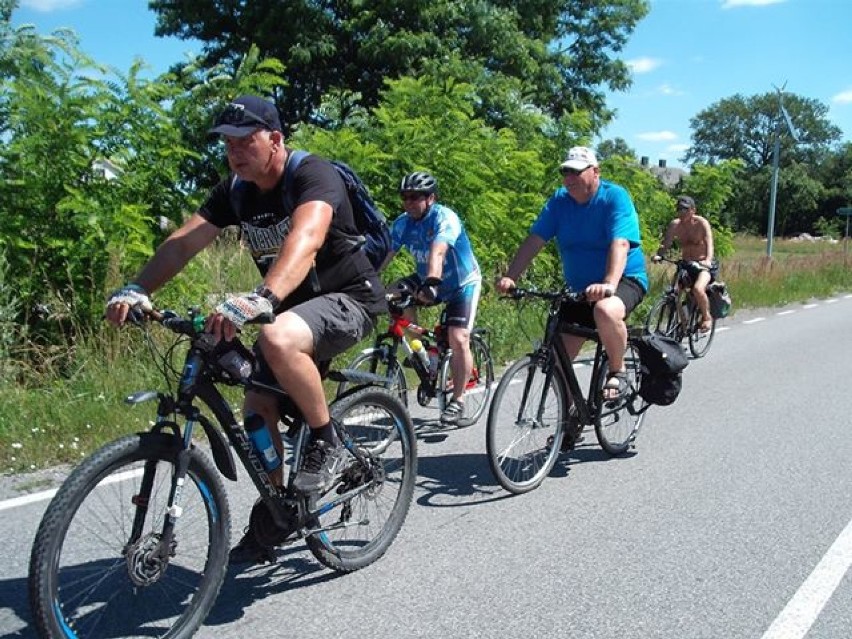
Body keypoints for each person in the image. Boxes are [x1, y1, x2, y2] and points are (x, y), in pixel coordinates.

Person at [105, 95, 386, 563]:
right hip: (288, 310)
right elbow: (183, 243)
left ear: (275, 139)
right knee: (256, 405)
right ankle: (281, 510)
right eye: (227, 143)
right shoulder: (234, 190)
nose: (234, 151)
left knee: (274, 337)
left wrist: (262, 298)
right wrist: (136, 287)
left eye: (244, 140)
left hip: (347, 299)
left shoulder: (313, 174)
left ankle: (326, 438)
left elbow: (307, 237)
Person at [496, 146, 648, 407]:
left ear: (595, 172)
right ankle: (571, 418)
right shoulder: (559, 201)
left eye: (576, 172)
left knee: (605, 310)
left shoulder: (615, 198)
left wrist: (609, 285)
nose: (569, 179)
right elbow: (535, 240)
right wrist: (511, 276)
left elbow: (620, 243)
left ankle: (617, 371)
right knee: (558, 359)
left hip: (623, 279)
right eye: (565, 172)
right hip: (580, 288)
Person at [381, 171, 482, 425]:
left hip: (460, 283)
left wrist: (432, 284)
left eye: (415, 197)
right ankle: (422, 354)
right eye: (405, 197)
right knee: (390, 295)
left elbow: (438, 252)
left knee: (458, 338)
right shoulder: (403, 223)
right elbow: (385, 255)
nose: (409, 202)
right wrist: (367, 282)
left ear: (431, 198)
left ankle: (457, 401)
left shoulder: (445, 218)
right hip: (425, 277)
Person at [652, 195, 717, 332]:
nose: (681, 212)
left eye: (685, 209)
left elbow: (709, 243)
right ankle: (684, 322)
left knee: (698, 289)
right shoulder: (675, 225)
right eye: (679, 209)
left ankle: (706, 317)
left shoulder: (701, 223)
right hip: (686, 264)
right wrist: (659, 255)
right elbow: (666, 243)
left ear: (693, 210)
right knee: (674, 294)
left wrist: (708, 260)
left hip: (702, 266)